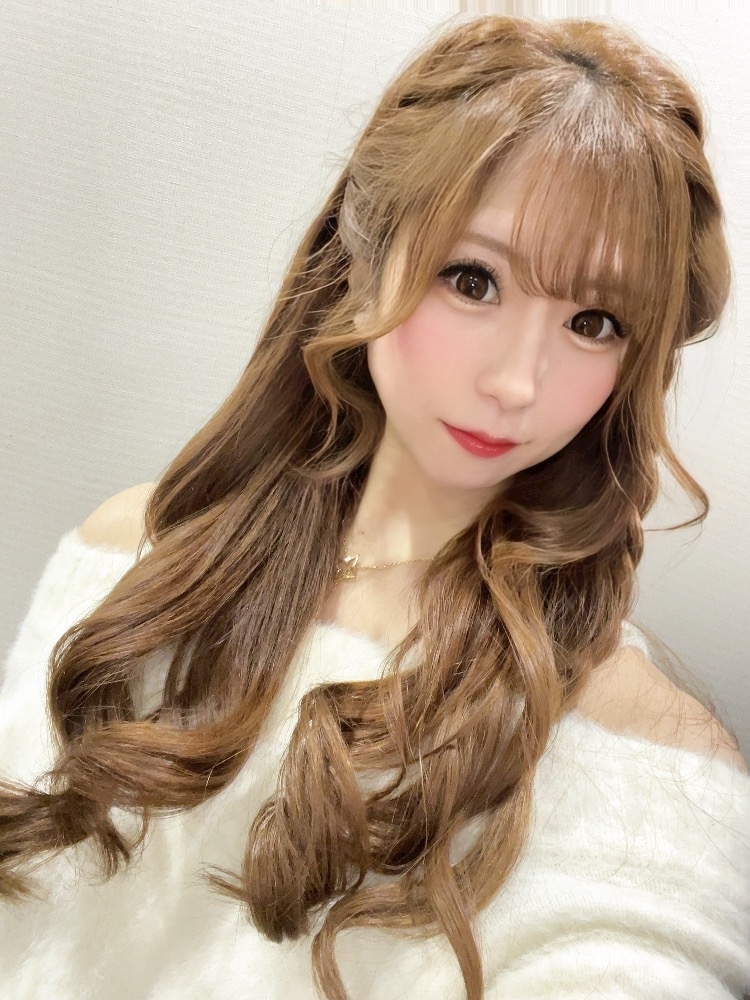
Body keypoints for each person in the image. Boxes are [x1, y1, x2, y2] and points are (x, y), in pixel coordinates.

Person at [1, 13, 748, 1000]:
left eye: (594, 321)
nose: (516, 381)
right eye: (473, 280)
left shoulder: (638, 744)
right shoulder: (129, 560)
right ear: (365, 258)